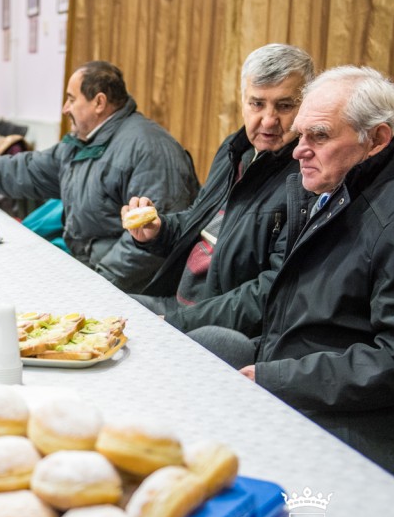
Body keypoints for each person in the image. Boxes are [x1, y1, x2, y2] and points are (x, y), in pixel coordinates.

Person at [194, 66, 394, 482]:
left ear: (376, 139)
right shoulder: (334, 195)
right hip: (315, 380)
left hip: (385, 420)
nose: (298, 151)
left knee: (219, 446)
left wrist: (279, 378)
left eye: (319, 136)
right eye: (301, 135)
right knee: (199, 357)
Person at [120, 44, 314, 330]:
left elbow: (271, 291)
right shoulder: (233, 150)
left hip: (220, 326)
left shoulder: (308, 177)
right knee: (99, 310)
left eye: (284, 106)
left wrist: (177, 323)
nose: (268, 120)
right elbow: (198, 220)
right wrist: (158, 231)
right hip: (177, 306)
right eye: (257, 104)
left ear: (306, 106)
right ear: (243, 101)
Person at [0, 61, 198, 284]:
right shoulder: (84, 143)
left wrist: (99, 285)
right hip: (88, 268)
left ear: (99, 103)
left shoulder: (150, 150)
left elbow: (149, 242)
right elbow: (23, 170)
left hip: (128, 286)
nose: (65, 109)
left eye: (71, 99)